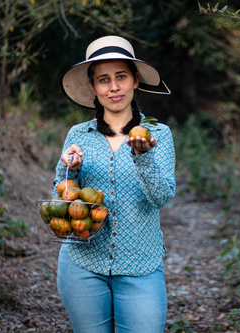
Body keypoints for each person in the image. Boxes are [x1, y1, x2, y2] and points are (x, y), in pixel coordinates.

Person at [53, 35, 175, 333]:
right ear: (94, 87)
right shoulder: (79, 135)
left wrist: (142, 157)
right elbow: (63, 198)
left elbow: (161, 197)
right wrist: (68, 167)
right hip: (81, 263)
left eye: (121, 76)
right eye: (103, 79)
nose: (114, 87)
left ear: (135, 79)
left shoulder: (158, 134)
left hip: (141, 267)